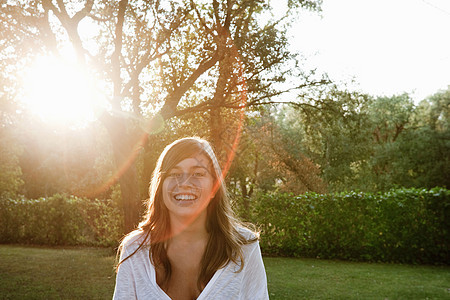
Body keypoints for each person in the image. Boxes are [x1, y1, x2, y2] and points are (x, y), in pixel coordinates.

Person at [113, 137, 269, 300]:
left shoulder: (244, 247)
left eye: (198, 173)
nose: (185, 183)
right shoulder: (135, 248)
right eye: (174, 173)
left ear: (214, 187)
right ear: (160, 186)